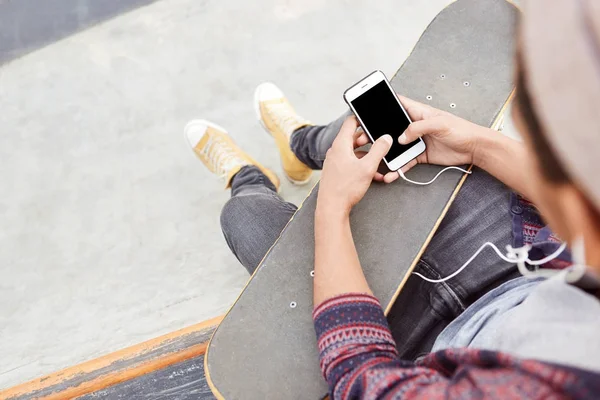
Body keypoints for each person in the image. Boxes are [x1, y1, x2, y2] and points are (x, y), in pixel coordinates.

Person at [185, 0, 600, 397]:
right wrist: (475, 144)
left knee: (245, 215)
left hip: (426, 345)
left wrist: (332, 207)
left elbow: (363, 378)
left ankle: (248, 176)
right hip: (526, 261)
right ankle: (299, 142)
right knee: (376, 136)